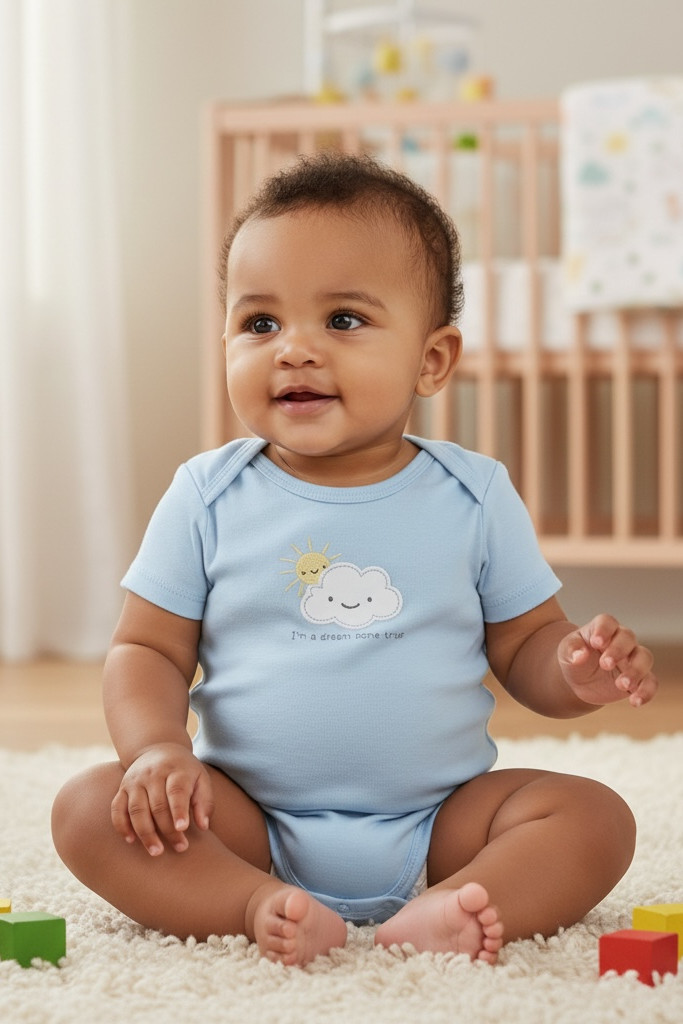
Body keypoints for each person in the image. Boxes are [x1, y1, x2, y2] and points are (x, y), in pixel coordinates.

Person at [51, 152, 658, 969]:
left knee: (592, 817)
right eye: (259, 323)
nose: (293, 350)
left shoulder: (473, 495)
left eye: (341, 320)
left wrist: (574, 671)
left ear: (431, 360)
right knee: (90, 808)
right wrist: (157, 749)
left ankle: (452, 904)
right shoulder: (206, 494)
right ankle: (253, 903)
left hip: (442, 820)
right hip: (247, 821)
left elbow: (523, 647)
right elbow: (146, 649)